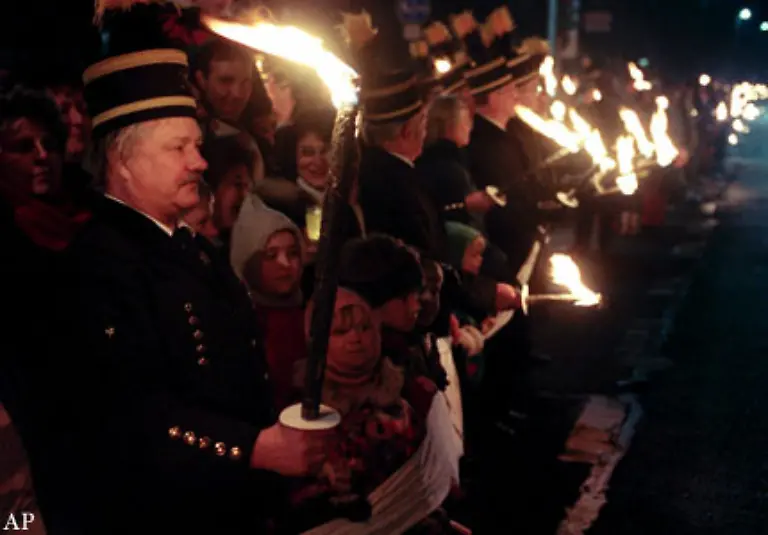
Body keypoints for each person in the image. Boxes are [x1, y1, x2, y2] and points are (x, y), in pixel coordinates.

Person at [40, 42, 327, 534]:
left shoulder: (190, 248)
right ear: (122, 161)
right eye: (179, 148)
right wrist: (251, 447)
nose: (199, 163)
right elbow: (129, 413)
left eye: (197, 145)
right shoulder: (100, 266)